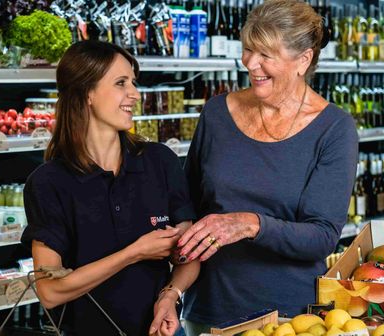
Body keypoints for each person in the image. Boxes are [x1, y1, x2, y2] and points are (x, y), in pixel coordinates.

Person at [176, 1, 358, 334]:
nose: (250, 62)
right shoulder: (217, 113)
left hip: (288, 318)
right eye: (248, 49)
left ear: (303, 60)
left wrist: (250, 224)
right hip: (207, 309)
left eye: (265, 55)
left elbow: (322, 237)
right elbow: (187, 202)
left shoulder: (334, 129)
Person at [20, 40, 200, 336]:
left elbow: (189, 257)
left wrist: (171, 295)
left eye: (133, 82)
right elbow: (50, 291)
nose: (135, 94)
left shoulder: (159, 162)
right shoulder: (48, 183)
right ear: (86, 93)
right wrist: (135, 252)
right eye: (121, 83)